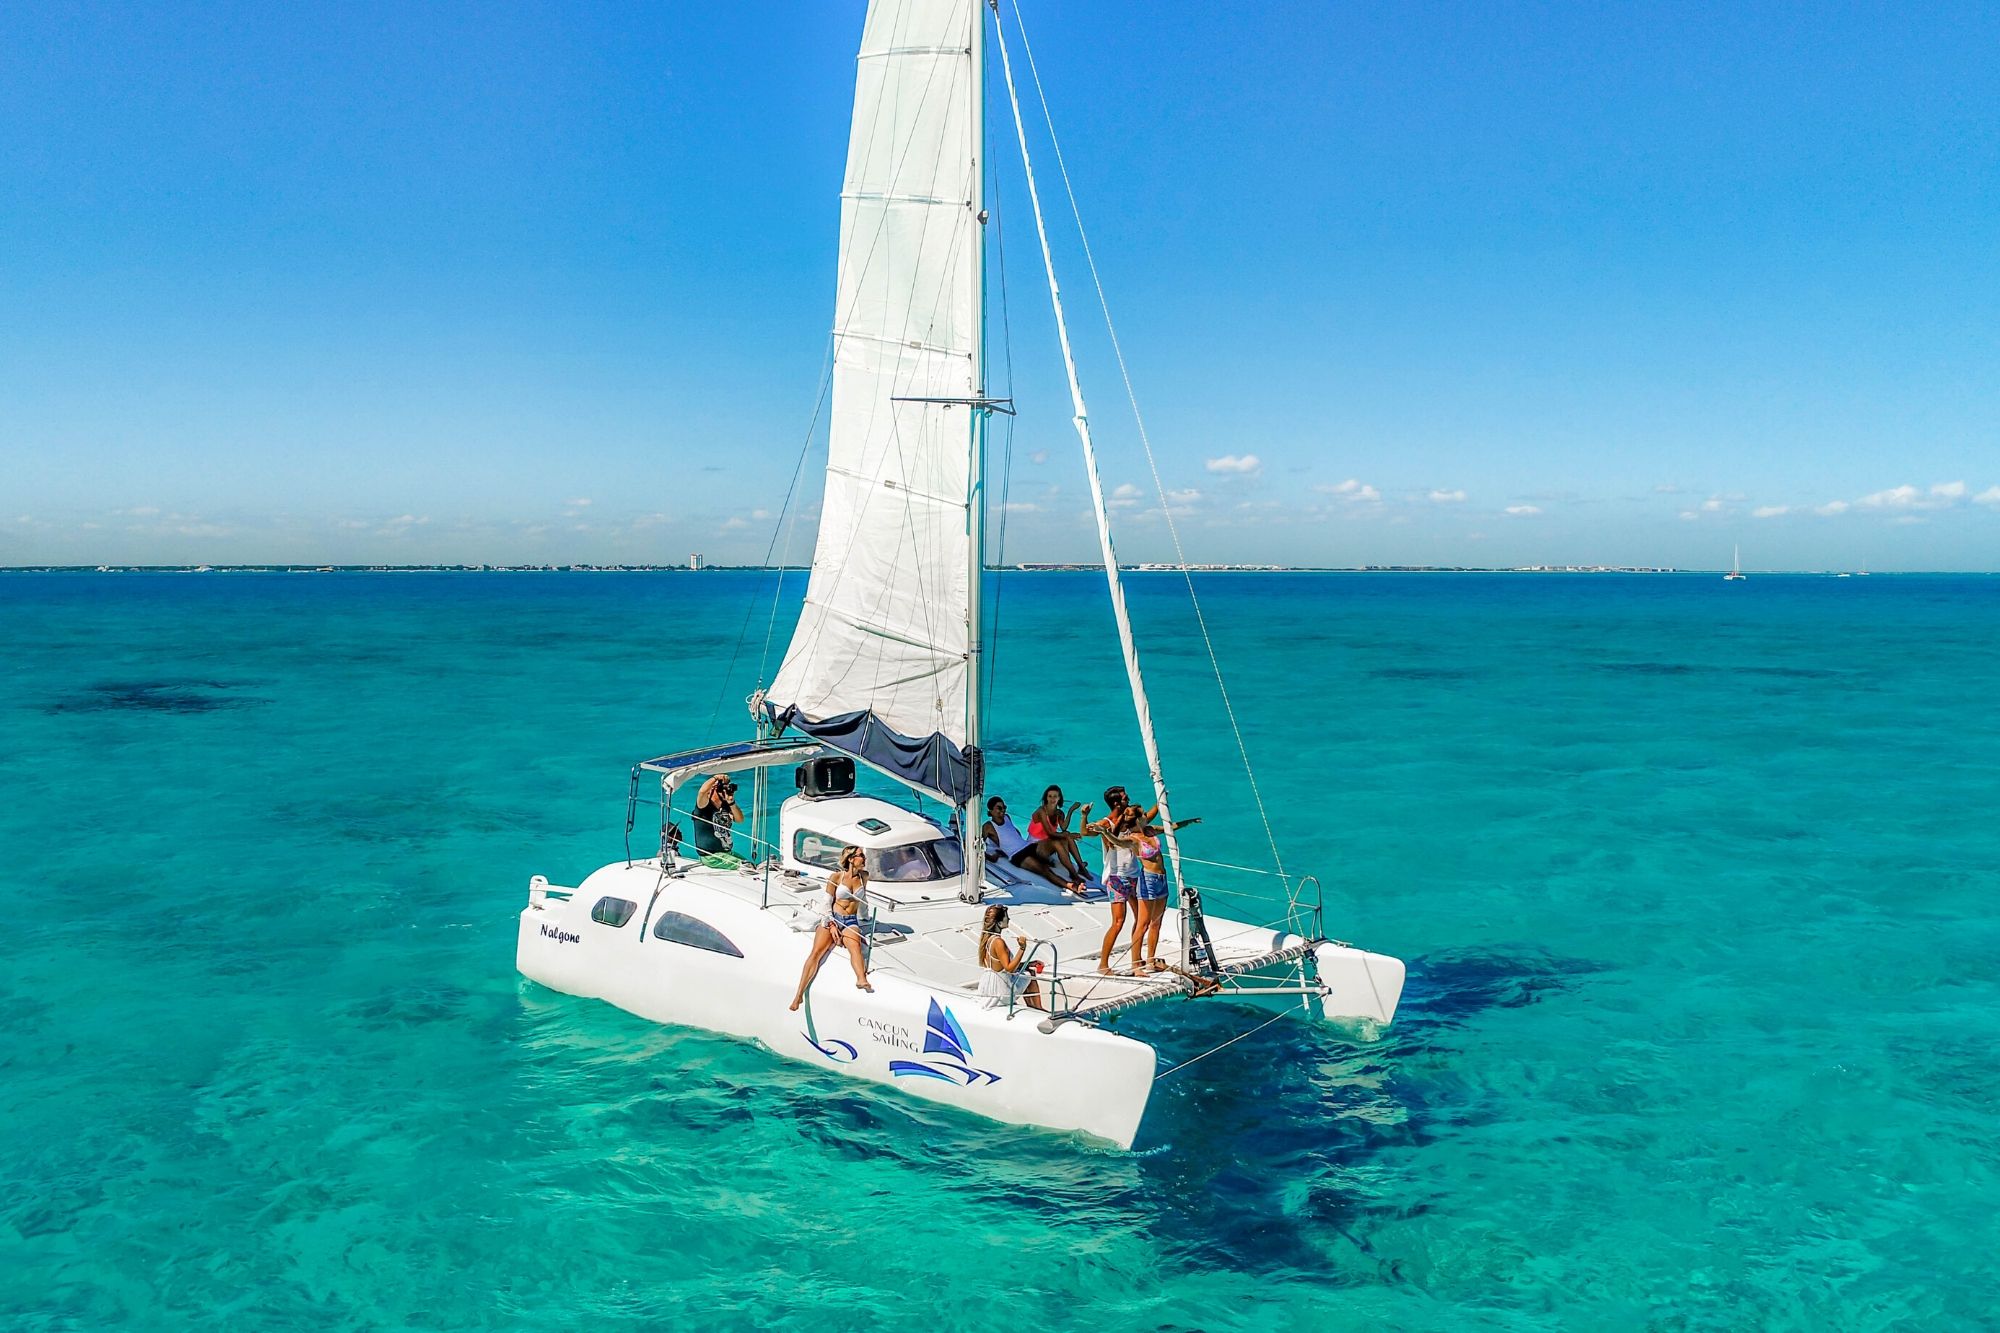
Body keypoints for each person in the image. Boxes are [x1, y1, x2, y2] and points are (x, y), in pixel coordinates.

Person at [789, 846, 873, 1009]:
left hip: (851, 920)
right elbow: (826, 903)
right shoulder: (836, 877)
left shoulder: (864, 876)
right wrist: (831, 924)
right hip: (834, 917)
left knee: (855, 947)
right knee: (816, 953)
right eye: (861, 855)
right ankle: (798, 995)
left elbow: (863, 900)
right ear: (851, 859)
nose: (864, 858)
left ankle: (861, 979)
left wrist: (865, 917)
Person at [1129, 806, 1200, 973]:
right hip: (1148, 879)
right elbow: (1118, 842)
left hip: (1161, 878)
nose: (1147, 815)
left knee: (1156, 923)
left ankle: (1150, 960)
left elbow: (1171, 827)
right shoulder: (1133, 838)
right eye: (1144, 814)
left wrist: (1188, 822)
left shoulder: (1150, 830)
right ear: (1138, 819)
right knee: (1143, 924)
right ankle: (1135, 963)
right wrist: (1106, 833)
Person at [982, 796, 1086, 894]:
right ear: (990, 810)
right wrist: (990, 857)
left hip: (1028, 846)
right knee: (1044, 870)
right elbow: (979, 846)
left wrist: (1002, 851)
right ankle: (1070, 886)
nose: (1003, 810)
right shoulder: (988, 826)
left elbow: (1014, 834)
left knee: (1057, 842)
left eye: (1004, 807)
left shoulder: (1007, 817)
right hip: (1017, 855)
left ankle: (1074, 874)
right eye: (999, 808)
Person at [976, 904, 1044, 1011]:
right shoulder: (998, 942)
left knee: (1026, 972)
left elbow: (1001, 966)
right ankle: (1038, 1009)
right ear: (999, 923)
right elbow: (1009, 969)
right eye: (1006, 917)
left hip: (988, 986)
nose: (1009, 919)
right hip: (1001, 990)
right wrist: (1022, 948)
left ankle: (1034, 1008)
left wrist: (1027, 964)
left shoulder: (988, 939)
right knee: (1030, 974)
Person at [1028, 785, 1093, 884]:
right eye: (1050, 796)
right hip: (1034, 847)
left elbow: (1063, 828)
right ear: (1046, 798)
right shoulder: (1041, 811)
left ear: (1059, 798)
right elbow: (1050, 833)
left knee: (1066, 836)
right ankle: (1073, 874)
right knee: (1063, 838)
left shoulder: (1059, 813)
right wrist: (1069, 835)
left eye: (1055, 796)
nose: (1052, 799)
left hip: (1047, 845)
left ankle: (1081, 867)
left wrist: (1070, 811)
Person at [691, 775, 743, 856]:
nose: (725, 791)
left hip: (726, 853)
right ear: (713, 789)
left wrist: (731, 802)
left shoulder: (726, 806)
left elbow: (740, 819)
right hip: (710, 856)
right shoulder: (703, 806)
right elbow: (702, 792)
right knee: (745, 864)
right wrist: (716, 778)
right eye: (722, 788)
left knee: (749, 863)